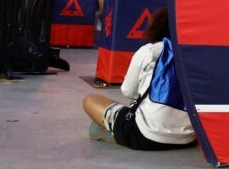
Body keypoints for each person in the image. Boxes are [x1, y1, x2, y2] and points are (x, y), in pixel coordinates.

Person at [83, 8, 195, 150]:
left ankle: (111, 131)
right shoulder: (195, 57)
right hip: (188, 138)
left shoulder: (149, 51)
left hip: (146, 137)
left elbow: (128, 91)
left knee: (90, 100)